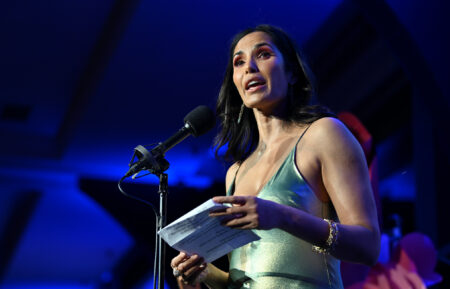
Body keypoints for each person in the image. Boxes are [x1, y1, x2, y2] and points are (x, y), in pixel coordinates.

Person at [171, 24, 380, 289]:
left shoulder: (325, 134)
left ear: (292, 72)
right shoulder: (235, 173)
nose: (249, 67)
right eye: (239, 62)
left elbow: (368, 246)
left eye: (263, 54)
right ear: (235, 83)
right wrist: (205, 275)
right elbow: (252, 279)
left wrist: (283, 216)